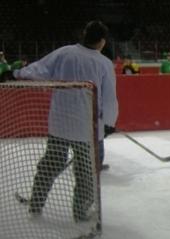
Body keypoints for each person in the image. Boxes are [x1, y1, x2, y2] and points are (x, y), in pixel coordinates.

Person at [11, 20, 119, 222]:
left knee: (50, 165)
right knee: (85, 174)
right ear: (102, 41)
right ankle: (80, 212)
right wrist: (110, 122)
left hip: (59, 124)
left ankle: (36, 204)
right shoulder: (103, 63)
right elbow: (109, 97)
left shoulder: (64, 52)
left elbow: (38, 69)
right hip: (85, 129)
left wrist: (16, 73)